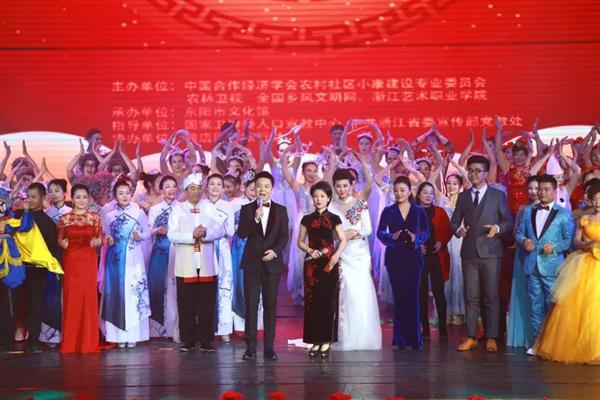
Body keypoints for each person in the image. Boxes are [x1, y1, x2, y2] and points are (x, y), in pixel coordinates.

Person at [532, 182, 600, 364]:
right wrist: (586, 244)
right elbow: (575, 241)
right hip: (585, 262)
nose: (598, 202)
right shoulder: (585, 219)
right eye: (595, 199)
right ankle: (581, 347)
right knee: (579, 306)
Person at [451, 155, 513, 352]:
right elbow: (454, 221)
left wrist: (497, 228)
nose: (473, 174)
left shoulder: (497, 195)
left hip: (491, 252)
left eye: (477, 171)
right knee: (471, 296)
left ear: (486, 173)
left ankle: (491, 336)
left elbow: (508, 221)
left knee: (491, 296)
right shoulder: (463, 197)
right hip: (469, 252)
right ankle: (471, 336)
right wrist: (458, 230)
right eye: (470, 170)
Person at [515, 174, 575, 352]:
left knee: (553, 306)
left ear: (555, 191)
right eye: (540, 189)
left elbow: (570, 240)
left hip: (552, 267)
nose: (541, 192)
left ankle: (554, 345)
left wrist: (555, 248)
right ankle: (537, 344)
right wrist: (523, 241)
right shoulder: (528, 211)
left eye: (546, 189)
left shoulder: (563, 214)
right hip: (531, 265)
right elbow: (519, 233)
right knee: (535, 306)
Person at [168, 173, 226, 352]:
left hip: (206, 262)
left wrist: (206, 233)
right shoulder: (178, 209)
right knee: (186, 303)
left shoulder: (209, 207)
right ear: (186, 190)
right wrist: (191, 235)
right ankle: (188, 340)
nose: (196, 192)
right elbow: (172, 234)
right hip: (186, 263)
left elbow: (220, 230)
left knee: (207, 303)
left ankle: (206, 340)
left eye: (199, 188)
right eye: (192, 188)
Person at [4, 183, 63, 353]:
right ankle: (6, 342)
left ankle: (34, 342)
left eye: (33, 197)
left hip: (37, 271)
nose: (29, 200)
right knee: (11, 306)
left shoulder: (48, 223)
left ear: (43, 198)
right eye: (28, 196)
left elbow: (52, 250)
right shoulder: (18, 216)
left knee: (35, 306)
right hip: (17, 269)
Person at [237, 171, 289, 361]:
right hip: (252, 263)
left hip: (272, 264)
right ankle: (250, 348)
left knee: (270, 306)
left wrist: (275, 251)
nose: (262, 189)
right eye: (259, 186)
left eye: (266, 186)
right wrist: (255, 219)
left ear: (272, 189)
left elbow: (284, 236)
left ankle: (269, 348)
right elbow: (242, 233)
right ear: (254, 188)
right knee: (251, 305)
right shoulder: (247, 209)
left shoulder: (281, 210)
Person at [328, 169, 382, 351]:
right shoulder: (331, 207)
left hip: (359, 253)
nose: (342, 189)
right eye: (338, 186)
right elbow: (329, 233)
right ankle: (344, 336)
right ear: (334, 187)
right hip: (341, 253)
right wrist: (341, 235)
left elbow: (368, 229)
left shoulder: (360, 204)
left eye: (345, 185)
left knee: (361, 291)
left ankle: (363, 336)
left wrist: (354, 232)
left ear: (352, 185)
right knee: (345, 291)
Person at [377, 176, 429, 349]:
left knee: (413, 298)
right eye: (396, 190)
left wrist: (417, 238)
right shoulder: (388, 211)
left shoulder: (419, 210)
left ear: (409, 191)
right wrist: (391, 236)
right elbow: (379, 232)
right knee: (399, 299)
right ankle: (400, 339)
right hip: (395, 259)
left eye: (402, 190)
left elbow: (427, 232)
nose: (399, 193)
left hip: (414, 259)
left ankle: (414, 339)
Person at [297, 181, 346, 357]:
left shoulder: (335, 218)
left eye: (322, 196)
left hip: (329, 264)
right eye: (316, 196)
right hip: (311, 265)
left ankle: (326, 341)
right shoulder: (306, 219)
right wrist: (310, 250)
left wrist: (336, 255)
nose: (318, 199)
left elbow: (343, 239)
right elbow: (300, 242)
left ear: (329, 198)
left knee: (328, 302)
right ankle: (315, 341)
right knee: (312, 304)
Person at [100, 179, 151, 348]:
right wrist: (108, 240)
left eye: (127, 193)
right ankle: (118, 336)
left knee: (133, 293)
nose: (124, 196)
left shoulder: (138, 213)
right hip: (115, 260)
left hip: (134, 258)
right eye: (120, 193)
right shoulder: (109, 216)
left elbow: (147, 232)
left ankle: (134, 335)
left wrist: (140, 236)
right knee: (117, 294)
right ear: (115, 195)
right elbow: (106, 236)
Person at [58, 184, 103, 353]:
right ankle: (71, 343)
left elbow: (100, 239)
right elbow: (59, 240)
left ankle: (88, 343)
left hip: (89, 261)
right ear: (72, 199)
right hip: (71, 261)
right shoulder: (65, 218)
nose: (82, 200)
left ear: (89, 198)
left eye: (85, 197)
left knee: (88, 298)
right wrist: (63, 243)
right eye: (78, 197)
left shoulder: (94, 217)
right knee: (72, 299)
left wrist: (97, 242)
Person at [200, 174, 236, 342]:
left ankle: (224, 329)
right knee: (204, 288)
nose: (215, 187)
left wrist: (216, 230)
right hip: (204, 248)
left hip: (222, 248)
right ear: (206, 187)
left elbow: (231, 231)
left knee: (224, 287)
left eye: (219, 184)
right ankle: (204, 328)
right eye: (212, 184)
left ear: (223, 188)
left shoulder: (228, 206)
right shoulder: (200, 205)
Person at [415, 182, 452, 340]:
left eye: (431, 193)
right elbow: (406, 232)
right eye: (425, 193)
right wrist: (417, 243)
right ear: (419, 195)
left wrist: (441, 242)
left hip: (437, 256)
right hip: (419, 258)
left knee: (439, 293)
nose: (428, 196)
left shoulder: (440, 212)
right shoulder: (413, 212)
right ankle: (425, 329)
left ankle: (443, 329)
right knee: (421, 294)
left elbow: (448, 230)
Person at [506, 175, 539, 348]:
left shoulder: (551, 210)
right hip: (523, 254)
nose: (533, 191)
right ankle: (522, 336)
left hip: (542, 255)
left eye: (536, 188)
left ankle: (538, 337)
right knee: (523, 293)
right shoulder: (522, 209)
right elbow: (515, 232)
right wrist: (524, 239)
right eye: (530, 188)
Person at [147, 175, 179, 341]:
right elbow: (147, 231)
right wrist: (157, 230)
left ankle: (174, 328)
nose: (171, 190)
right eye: (167, 186)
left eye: (174, 186)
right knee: (157, 287)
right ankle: (157, 328)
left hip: (177, 251)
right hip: (159, 252)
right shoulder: (155, 209)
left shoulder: (181, 208)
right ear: (161, 190)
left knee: (175, 289)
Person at [231, 170, 263, 333]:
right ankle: (240, 322)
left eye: (257, 188)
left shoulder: (263, 203)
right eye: (251, 188)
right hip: (241, 245)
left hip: (258, 246)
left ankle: (255, 322)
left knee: (257, 283)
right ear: (244, 188)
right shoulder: (236, 203)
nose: (254, 192)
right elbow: (231, 226)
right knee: (240, 281)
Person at [41, 178, 72, 347]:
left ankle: (69, 334)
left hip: (69, 257)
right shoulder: (46, 213)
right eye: (50, 190)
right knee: (51, 295)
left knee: (68, 295)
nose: (53, 194)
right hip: (51, 258)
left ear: (65, 193)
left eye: (57, 190)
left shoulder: (71, 212)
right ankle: (52, 335)